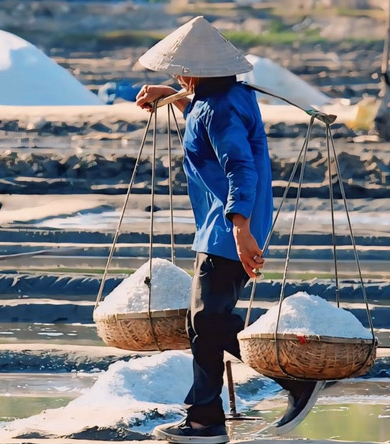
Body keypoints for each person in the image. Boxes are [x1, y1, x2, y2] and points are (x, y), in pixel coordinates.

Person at [134, 16, 323, 444]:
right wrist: (174, 98)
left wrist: (240, 230)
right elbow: (205, 118)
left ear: (193, 71)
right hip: (225, 225)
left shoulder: (217, 109)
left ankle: (210, 420)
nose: (176, 76)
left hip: (228, 228)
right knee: (209, 323)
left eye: (179, 73)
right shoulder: (228, 97)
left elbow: (240, 167)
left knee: (206, 324)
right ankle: (267, 390)